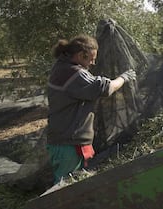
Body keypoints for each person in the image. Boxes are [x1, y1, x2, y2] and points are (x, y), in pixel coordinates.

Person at [46, 34, 136, 184]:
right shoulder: (74, 73)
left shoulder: (61, 67)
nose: (93, 63)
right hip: (69, 145)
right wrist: (124, 77)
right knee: (67, 190)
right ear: (81, 55)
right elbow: (105, 88)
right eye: (92, 58)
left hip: (63, 141)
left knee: (71, 185)